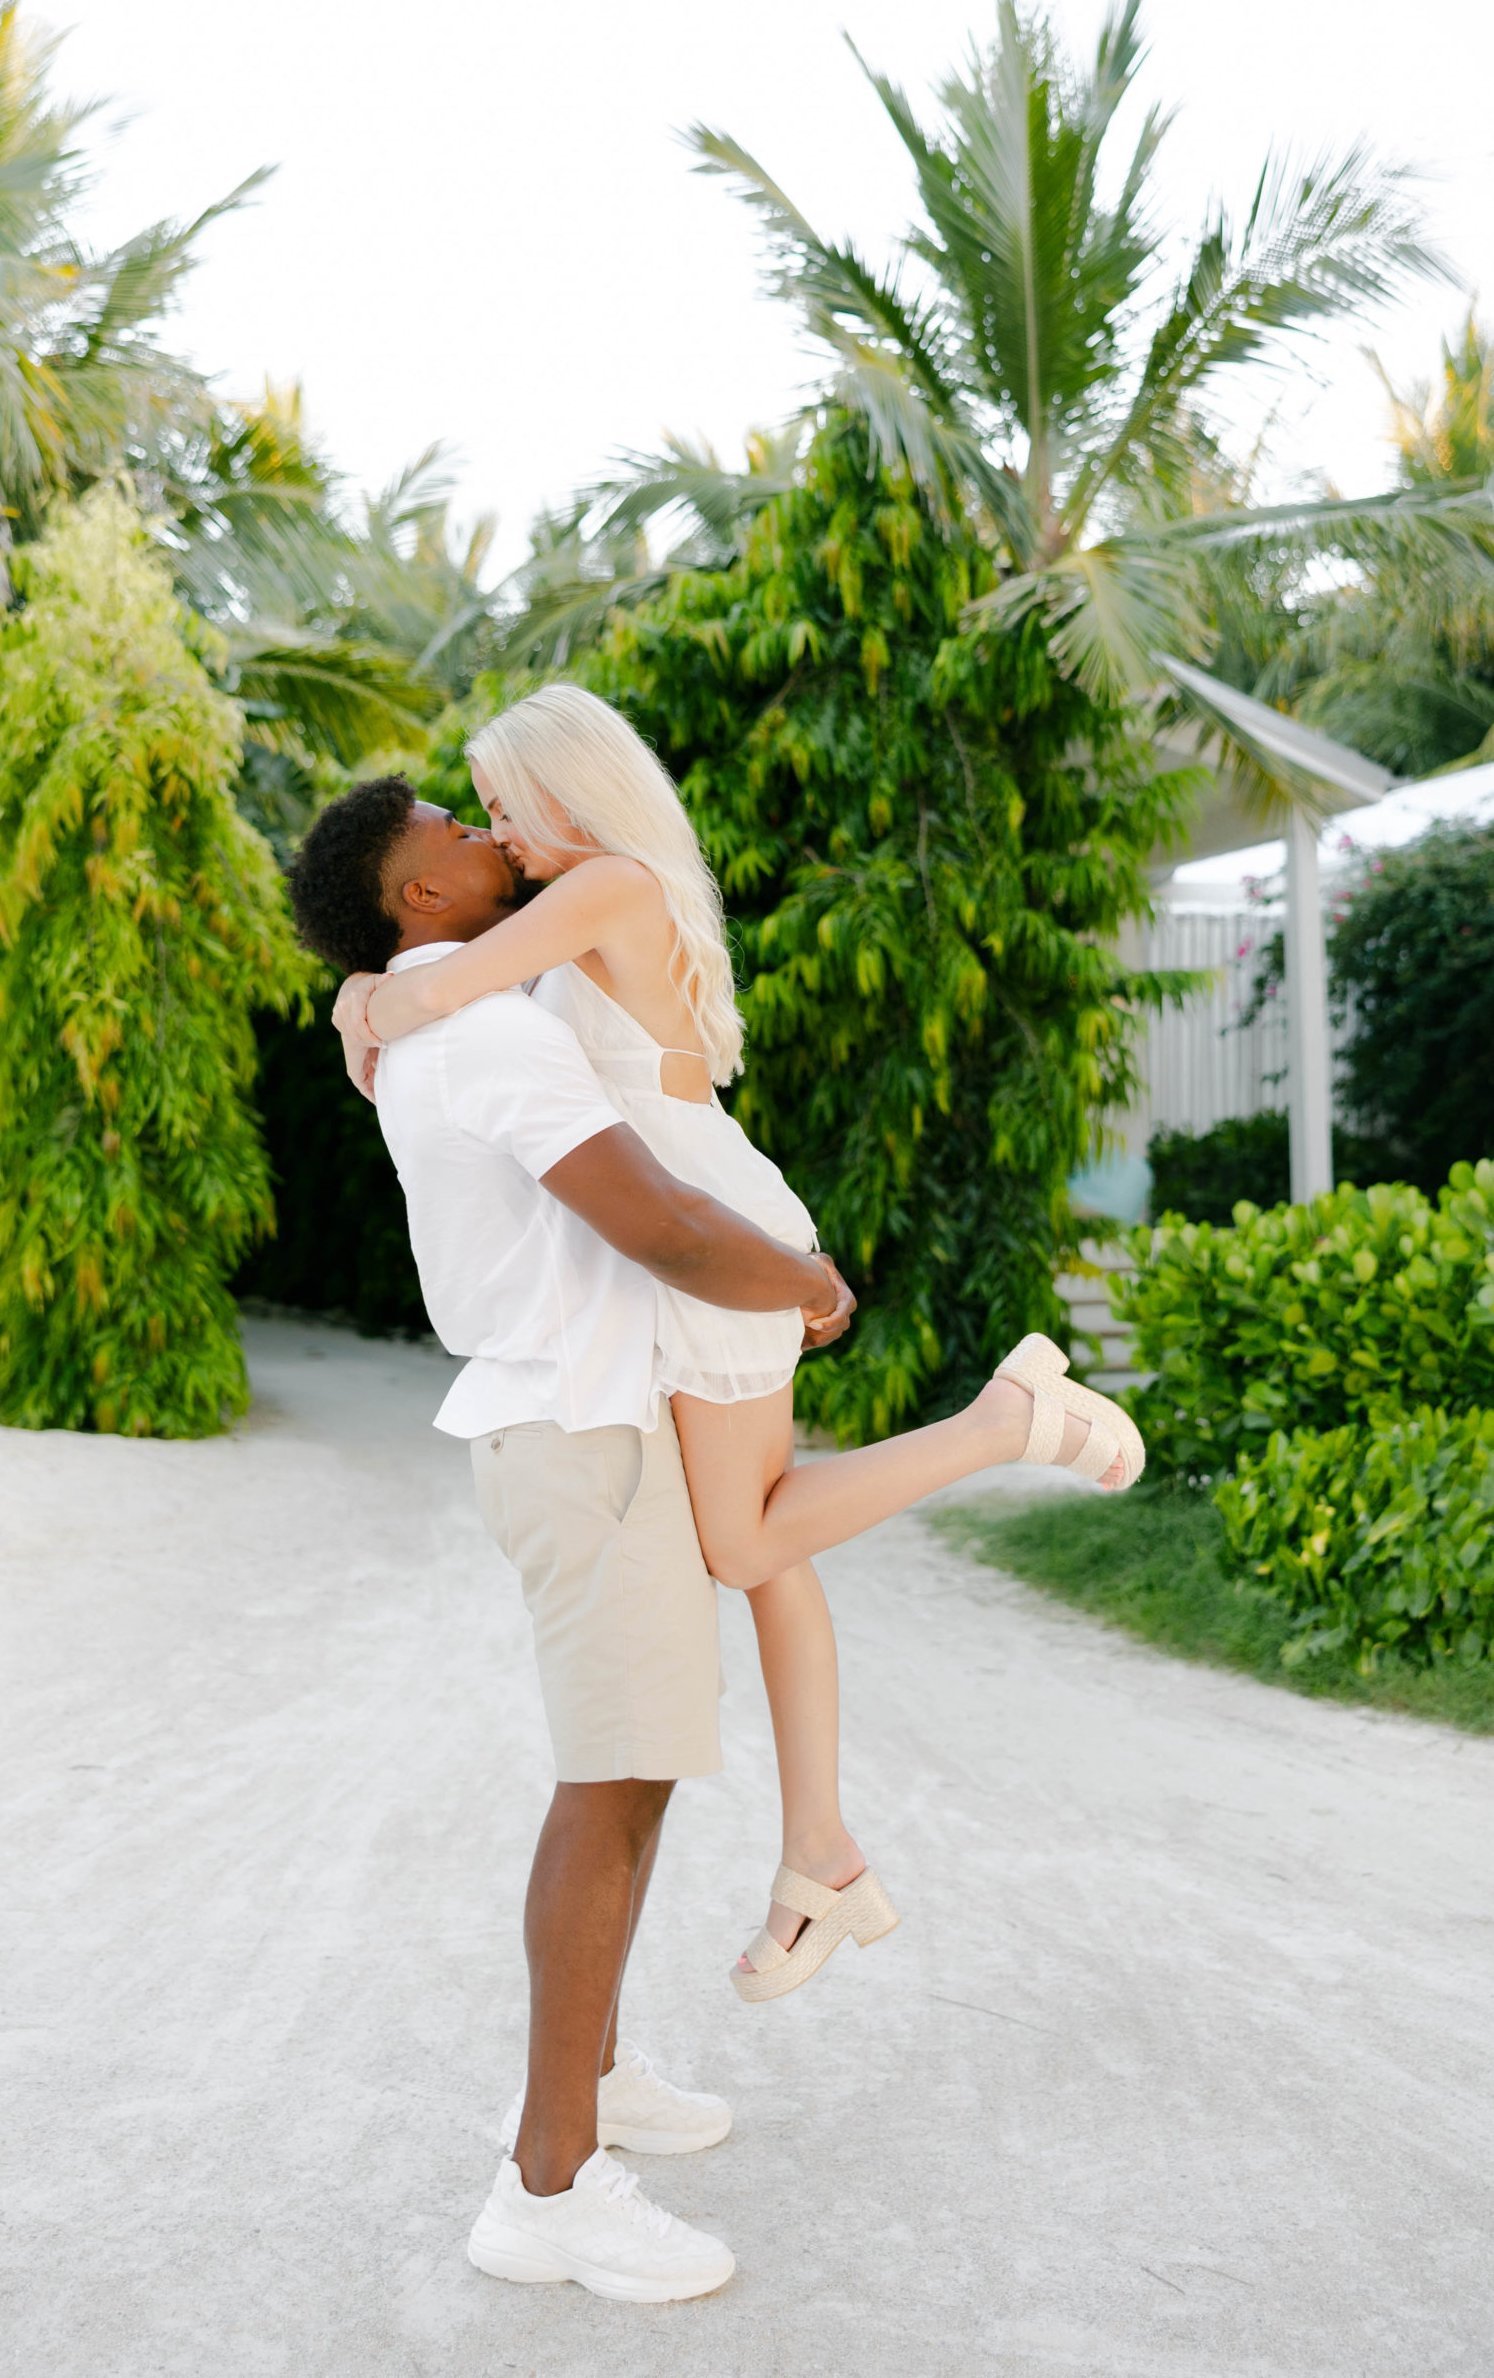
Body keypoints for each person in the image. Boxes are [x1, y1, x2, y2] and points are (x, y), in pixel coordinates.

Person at [331, 689, 1144, 2010]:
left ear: (567, 793)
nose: (491, 831)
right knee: (769, 1553)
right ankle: (818, 1856)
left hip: (711, 1227)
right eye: (472, 813)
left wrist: (368, 992)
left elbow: (453, 988)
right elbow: (469, 984)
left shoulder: (603, 887)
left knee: (746, 1540)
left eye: (500, 805)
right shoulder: (587, 898)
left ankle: (1007, 1421)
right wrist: (374, 988)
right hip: (705, 1209)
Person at [288, 775, 857, 2303]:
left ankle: (591, 2082)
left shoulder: (433, 1015)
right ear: (417, 901)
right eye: (455, 838)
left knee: (637, 1768)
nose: (490, 842)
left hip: (576, 1430)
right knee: (605, 1796)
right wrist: (808, 1285)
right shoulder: (483, 1032)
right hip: (584, 1439)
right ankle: (546, 2185)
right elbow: (657, 1221)